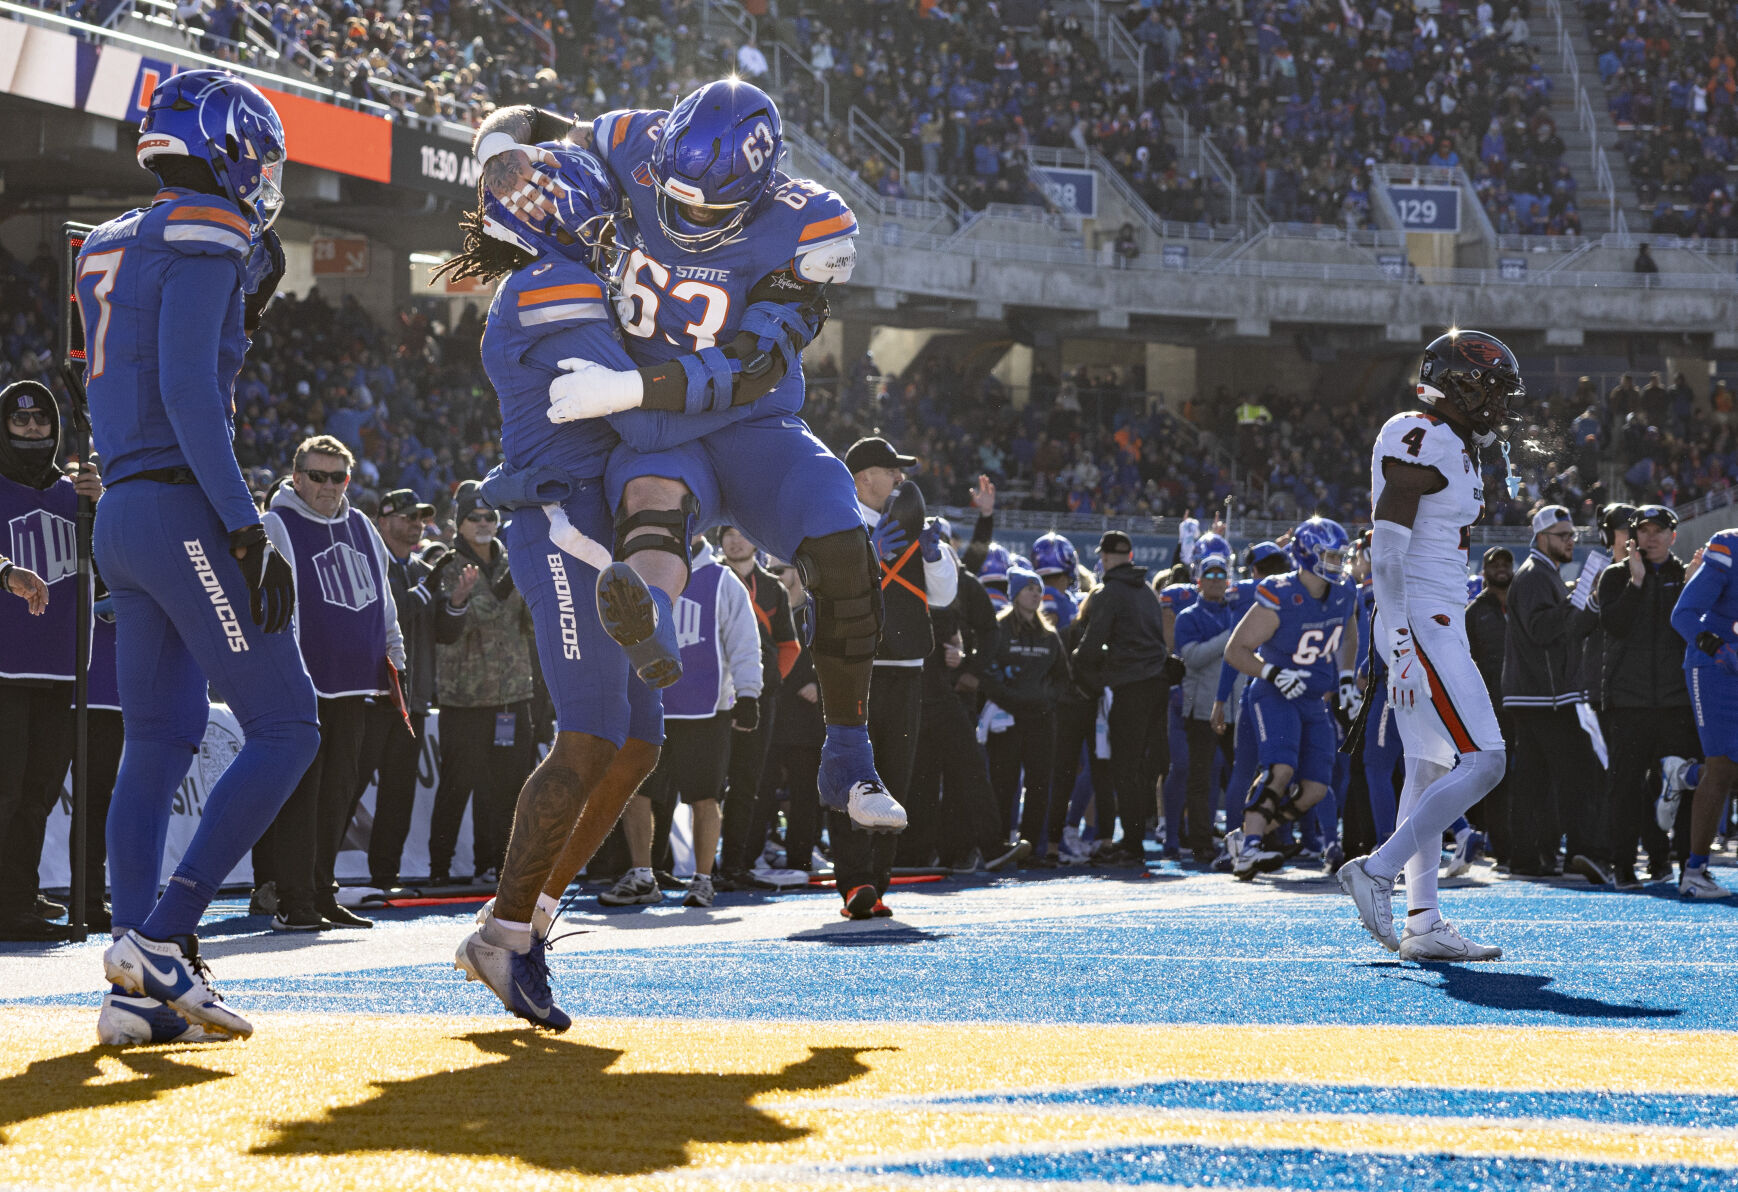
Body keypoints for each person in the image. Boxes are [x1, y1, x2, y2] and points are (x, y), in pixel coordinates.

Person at [470, 79, 906, 849]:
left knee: (840, 537)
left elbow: (759, 362)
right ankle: (655, 626)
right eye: (672, 196)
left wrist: (634, 381)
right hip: (655, 428)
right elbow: (527, 120)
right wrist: (496, 155)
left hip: (747, 420)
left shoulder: (808, 225)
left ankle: (850, 754)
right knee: (652, 503)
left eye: (709, 207)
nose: (683, 216)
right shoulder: (628, 137)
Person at [80, 70, 318, 1044]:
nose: (258, 175)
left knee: (160, 738)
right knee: (286, 724)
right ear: (225, 148)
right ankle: (167, 937)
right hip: (183, 504)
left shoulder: (105, 238)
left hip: (123, 509)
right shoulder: (208, 229)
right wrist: (246, 522)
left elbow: (134, 372)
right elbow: (185, 390)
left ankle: (132, 986)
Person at [439, 142, 665, 1031]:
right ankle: (504, 933)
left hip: (598, 529)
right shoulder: (547, 284)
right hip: (562, 524)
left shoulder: (562, 274)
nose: (609, 233)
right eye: (595, 214)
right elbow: (638, 402)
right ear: (553, 212)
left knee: (640, 742)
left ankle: (528, 913)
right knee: (587, 737)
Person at [1339, 331, 1519, 963]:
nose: (1500, 405)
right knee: (1486, 760)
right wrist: (1398, 643)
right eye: (1491, 390)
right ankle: (1377, 869)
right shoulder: (1420, 434)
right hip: (1420, 618)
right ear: (1459, 385)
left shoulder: (1459, 444)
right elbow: (1384, 551)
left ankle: (1423, 922)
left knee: (1429, 769)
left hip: (1436, 617)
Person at [256, 434, 406, 931]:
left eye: (336, 477)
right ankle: (292, 898)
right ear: (296, 477)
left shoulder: (362, 523)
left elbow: (382, 596)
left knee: (339, 793)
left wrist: (395, 653)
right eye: (316, 476)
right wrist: (287, 674)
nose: (326, 486)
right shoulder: (277, 523)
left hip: (356, 684)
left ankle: (322, 891)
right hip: (305, 684)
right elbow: (274, 607)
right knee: (303, 796)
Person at [599, 537, 760, 910]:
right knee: (634, 793)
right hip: (645, 701)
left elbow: (744, 640)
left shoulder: (721, 579)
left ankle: (702, 880)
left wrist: (749, 692)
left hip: (703, 709)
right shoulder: (634, 571)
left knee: (705, 797)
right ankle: (642, 875)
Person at [0, 382, 100, 941]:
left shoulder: (76, 494)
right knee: (5, 789)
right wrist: (4, 571)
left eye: (43, 420)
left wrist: (100, 505)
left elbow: (113, 562)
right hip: (4, 669)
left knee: (37, 793)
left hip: (63, 668)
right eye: (22, 421)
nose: (34, 428)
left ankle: (16, 898)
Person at [846, 436, 959, 916]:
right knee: (854, 779)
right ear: (864, 478)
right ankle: (854, 884)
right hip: (857, 670)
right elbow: (826, 589)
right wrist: (865, 553)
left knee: (895, 779)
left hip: (908, 669)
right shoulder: (840, 524)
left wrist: (934, 555)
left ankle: (879, 883)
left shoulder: (915, 527)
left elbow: (944, 597)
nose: (901, 479)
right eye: (892, 470)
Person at [1219, 519, 1357, 879]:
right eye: (1329, 555)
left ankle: (1246, 836)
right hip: (1276, 692)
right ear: (1307, 554)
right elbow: (1236, 650)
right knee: (1280, 769)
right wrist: (1274, 673)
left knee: (1314, 789)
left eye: (1340, 556)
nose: (1338, 563)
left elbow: (1349, 630)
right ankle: (1249, 850)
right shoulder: (1280, 592)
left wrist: (1344, 676)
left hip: (1314, 698)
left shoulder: (1343, 592)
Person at [359, 487, 473, 894]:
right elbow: (385, 615)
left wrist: (456, 601)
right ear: (383, 519)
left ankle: (384, 878)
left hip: (413, 700)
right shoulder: (370, 563)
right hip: (372, 697)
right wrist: (429, 587)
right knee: (348, 788)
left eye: (421, 519)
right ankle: (316, 881)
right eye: (407, 517)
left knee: (398, 796)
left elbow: (442, 633)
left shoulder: (419, 568)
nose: (416, 526)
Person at [427, 481, 537, 888]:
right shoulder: (445, 564)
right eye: (474, 517)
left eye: (490, 516)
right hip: (465, 698)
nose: (483, 523)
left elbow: (530, 624)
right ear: (459, 523)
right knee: (458, 786)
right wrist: (469, 598)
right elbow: (462, 623)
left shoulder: (516, 562)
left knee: (508, 788)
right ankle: (439, 869)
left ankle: (494, 866)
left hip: (513, 695)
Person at [1501, 505, 1605, 881]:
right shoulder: (1534, 576)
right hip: (1545, 697)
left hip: (1534, 695)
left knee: (1534, 782)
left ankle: (1529, 859)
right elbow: (1544, 630)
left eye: (1572, 534)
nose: (1571, 541)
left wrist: (1576, 600)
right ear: (1541, 537)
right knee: (1574, 776)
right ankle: (1581, 852)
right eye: (1563, 535)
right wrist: (1581, 602)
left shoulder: (1541, 574)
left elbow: (1549, 623)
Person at [1599, 505, 1700, 890]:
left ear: (1674, 535)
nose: (1651, 536)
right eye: (1644, 530)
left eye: (1660, 530)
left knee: (1684, 785)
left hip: (1677, 701)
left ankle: (1681, 865)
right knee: (1625, 787)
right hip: (1628, 701)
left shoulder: (1686, 576)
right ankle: (1623, 866)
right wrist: (1636, 584)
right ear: (1635, 535)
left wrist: (1691, 590)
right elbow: (1613, 625)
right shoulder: (1615, 576)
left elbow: (1688, 633)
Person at [1071, 530, 1173, 865]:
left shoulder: (1110, 591)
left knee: (1124, 767)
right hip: (1156, 684)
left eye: (1103, 556)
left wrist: (1085, 673)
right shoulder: (1145, 590)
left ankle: (1130, 844)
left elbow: (1090, 646)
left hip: (1130, 686)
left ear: (1110, 557)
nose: (1101, 561)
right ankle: (1136, 835)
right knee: (1142, 766)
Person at [714, 525, 798, 884]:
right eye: (727, 533)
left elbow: (789, 646)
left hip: (758, 701)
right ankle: (692, 866)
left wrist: (765, 686)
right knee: (707, 785)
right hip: (711, 698)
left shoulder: (772, 587)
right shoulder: (706, 578)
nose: (735, 540)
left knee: (748, 782)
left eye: (742, 533)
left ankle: (735, 864)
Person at [1668, 525, 1738, 899]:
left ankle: (1684, 775)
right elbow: (1683, 614)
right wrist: (1717, 648)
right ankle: (1695, 871)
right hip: (1715, 667)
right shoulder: (1729, 545)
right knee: (1724, 766)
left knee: (1726, 771)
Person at [981, 564, 1067, 858]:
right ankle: (1001, 845)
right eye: (1029, 589)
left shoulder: (1049, 635)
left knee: (1039, 784)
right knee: (1004, 784)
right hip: (1007, 719)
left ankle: (1032, 847)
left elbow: (1062, 677)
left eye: (1038, 590)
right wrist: (1011, 700)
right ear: (1015, 594)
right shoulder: (998, 629)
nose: (1035, 594)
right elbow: (986, 674)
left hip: (1041, 719)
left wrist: (1046, 699)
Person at [1174, 553, 1240, 862]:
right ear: (1199, 581)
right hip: (1201, 708)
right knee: (1200, 777)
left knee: (1241, 776)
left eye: (1220, 575)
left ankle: (1246, 837)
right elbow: (1193, 658)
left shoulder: (1238, 611)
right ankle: (1200, 841)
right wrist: (1232, 639)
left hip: (1238, 709)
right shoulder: (1188, 616)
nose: (1215, 581)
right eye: (1209, 576)